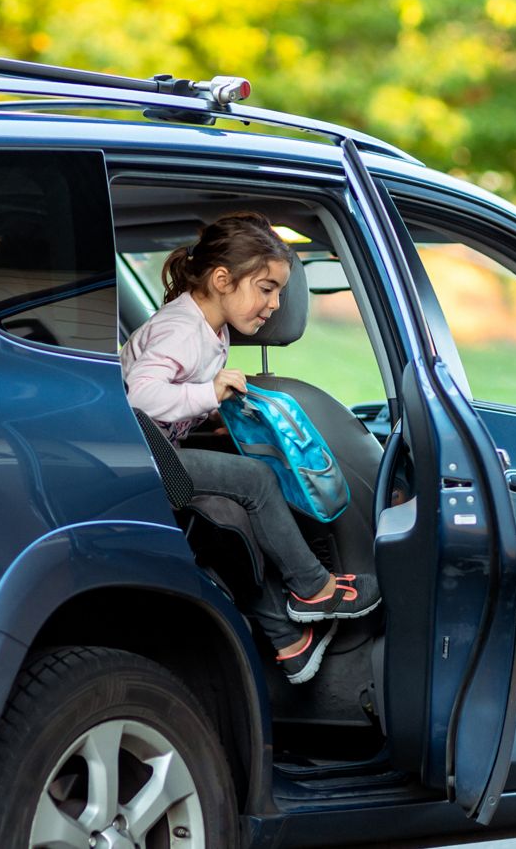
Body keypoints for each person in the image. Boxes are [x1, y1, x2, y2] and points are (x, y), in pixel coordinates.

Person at [121, 212, 380, 684]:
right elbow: (139, 396)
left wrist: (210, 415)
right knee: (255, 481)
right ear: (222, 279)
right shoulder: (182, 329)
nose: (276, 304)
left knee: (230, 515)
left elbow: (171, 395)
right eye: (266, 288)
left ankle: (288, 642)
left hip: (153, 453)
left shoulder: (208, 328)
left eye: (280, 291)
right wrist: (208, 394)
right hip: (141, 460)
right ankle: (312, 588)